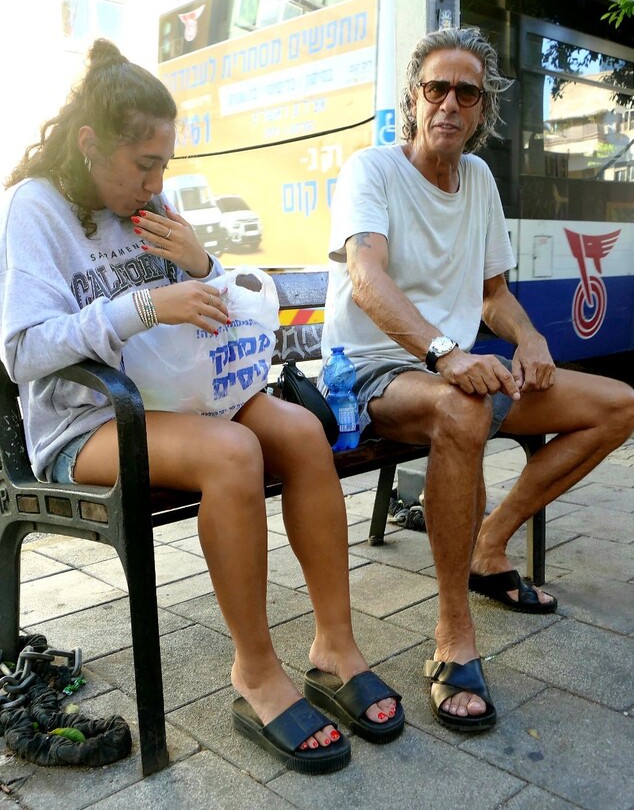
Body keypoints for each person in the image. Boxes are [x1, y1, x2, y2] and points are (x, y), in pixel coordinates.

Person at [0, 39, 405, 774]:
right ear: (89, 144)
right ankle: (255, 672)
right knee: (234, 453)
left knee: (301, 432)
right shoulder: (36, 208)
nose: (158, 182)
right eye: (144, 163)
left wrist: (201, 264)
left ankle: (334, 646)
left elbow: (209, 307)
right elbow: (22, 350)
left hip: (180, 396)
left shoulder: (149, 203)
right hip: (89, 422)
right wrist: (141, 308)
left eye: (165, 163)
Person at [322, 26, 634, 732]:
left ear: (482, 109)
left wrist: (529, 337)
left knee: (618, 406)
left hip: (453, 373)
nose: (450, 104)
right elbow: (365, 278)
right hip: (373, 370)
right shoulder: (372, 170)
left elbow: (493, 294)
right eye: (437, 88)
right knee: (462, 411)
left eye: (467, 93)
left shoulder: (480, 180)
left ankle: (489, 546)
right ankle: (452, 635)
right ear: (415, 96)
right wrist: (443, 353)